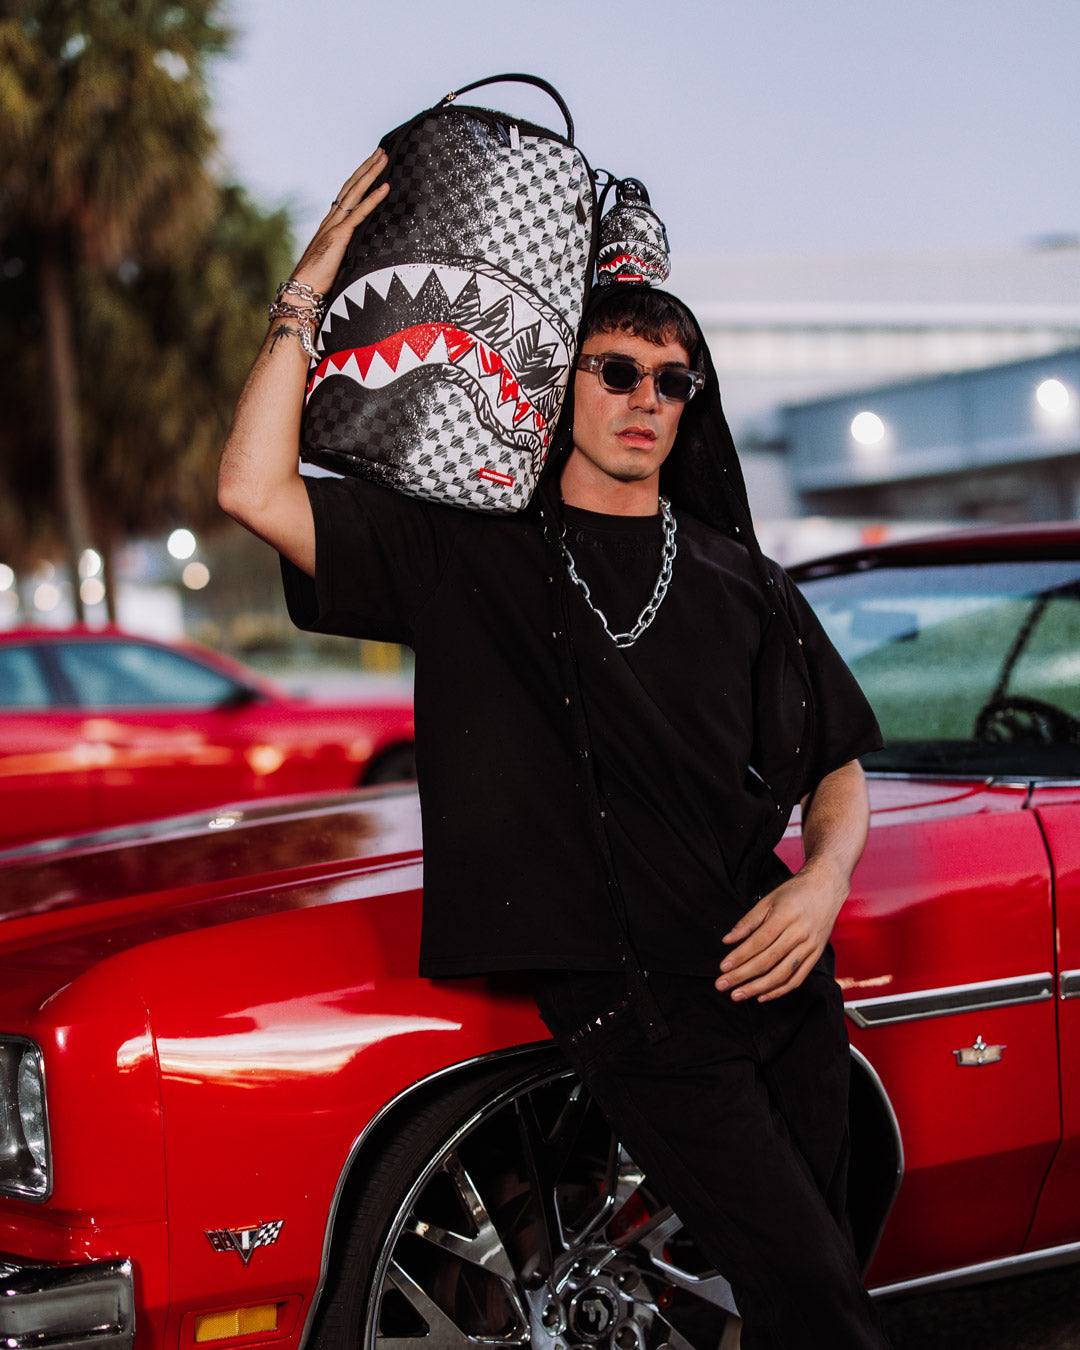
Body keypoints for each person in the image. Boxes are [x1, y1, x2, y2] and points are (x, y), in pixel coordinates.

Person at [218, 150, 892, 1349]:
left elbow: (836, 761)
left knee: (822, 1266)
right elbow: (253, 491)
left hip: (778, 969)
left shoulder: (742, 580)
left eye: (672, 381)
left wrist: (825, 882)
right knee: (813, 1288)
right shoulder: (468, 553)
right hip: (632, 993)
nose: (646, 398)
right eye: (617, 370)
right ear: (558, 385)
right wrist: (308, 288)